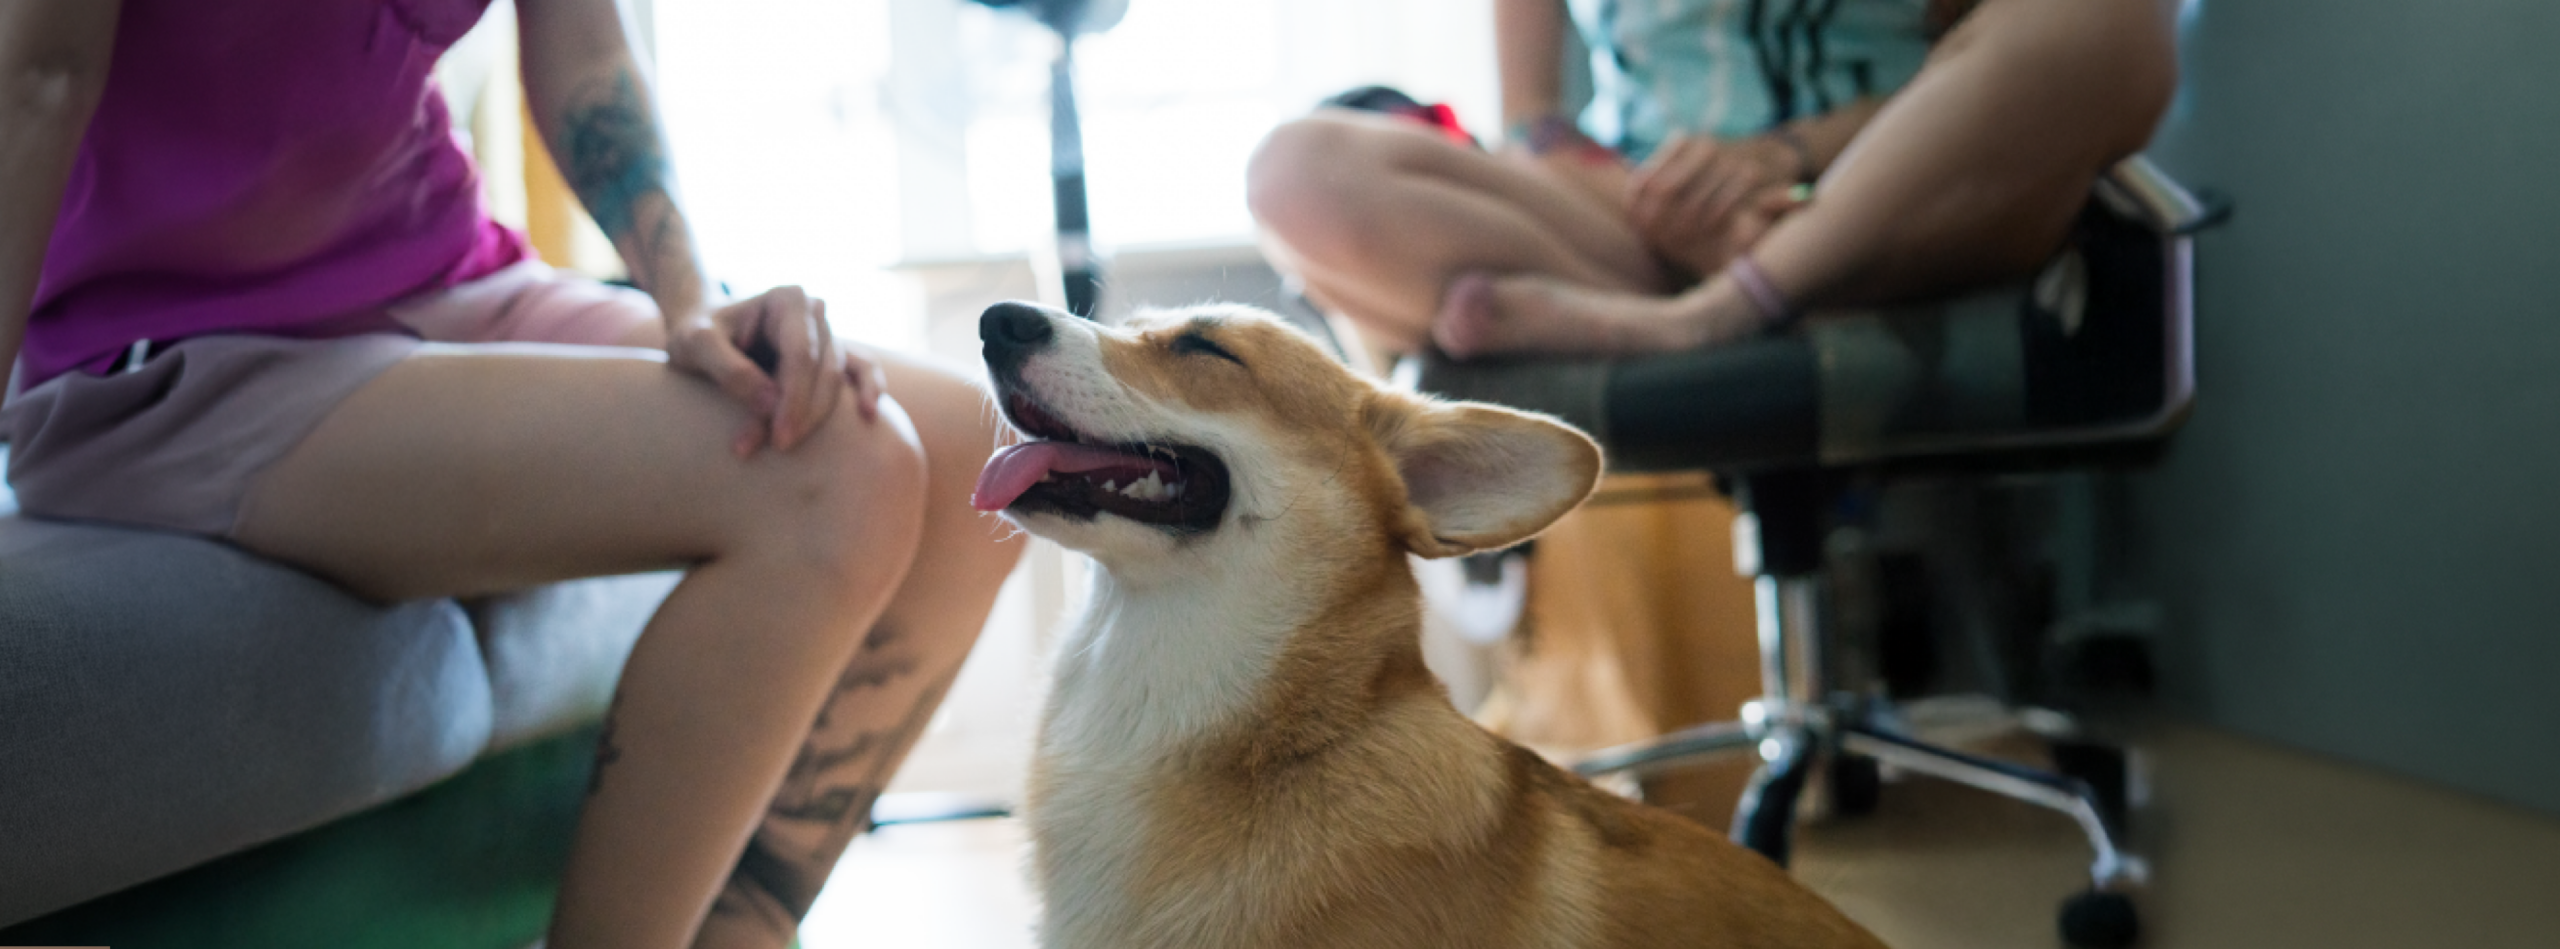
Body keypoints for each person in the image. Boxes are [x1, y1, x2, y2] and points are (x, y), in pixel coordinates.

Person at [0, 2, 1021, 947]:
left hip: (445, 276)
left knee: (968, 452)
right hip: (172, 348)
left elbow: (586, 53)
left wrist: (687, 298)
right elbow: (36, 78)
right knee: (833, 478)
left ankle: (739, 932)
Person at [1246, 0, 2179, 359]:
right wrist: (1639, 191)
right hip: (1640, 214)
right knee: (1297, 174)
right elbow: (1536, 123)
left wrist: (1784, 163)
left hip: (1895, 191)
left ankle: (1715, 317)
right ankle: (1757, 292)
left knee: (2111, 20)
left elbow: (1977, 65)